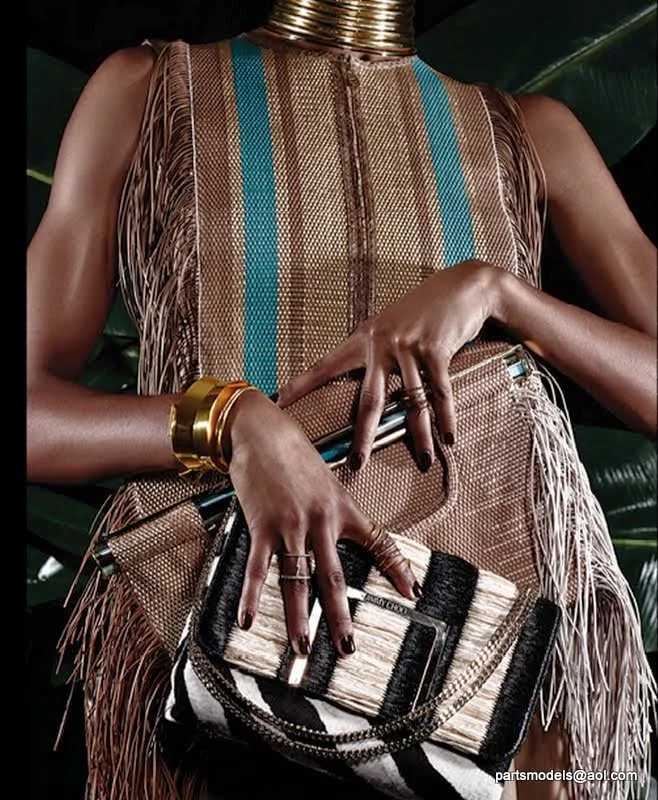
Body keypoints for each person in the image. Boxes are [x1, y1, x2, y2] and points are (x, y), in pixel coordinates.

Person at [27, 1, 656, 799]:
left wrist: (502, 295)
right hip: (229, 635)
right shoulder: (152, 89)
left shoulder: (529, 133)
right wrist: (231, 421)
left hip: (492, 659)